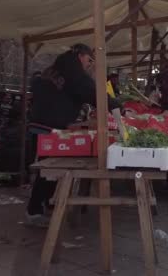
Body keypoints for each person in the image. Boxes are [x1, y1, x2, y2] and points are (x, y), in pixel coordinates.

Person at [26, 43, 120, 227]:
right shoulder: (72, 71)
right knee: (49, 170)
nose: (90, 64)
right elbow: (90, 91)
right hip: (48, 128)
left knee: (50, 170)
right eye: (89, 60)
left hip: (46, 124)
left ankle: (45, 203)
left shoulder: (60, 69)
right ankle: (34, 211)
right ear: (80, 56)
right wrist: (114, 104)